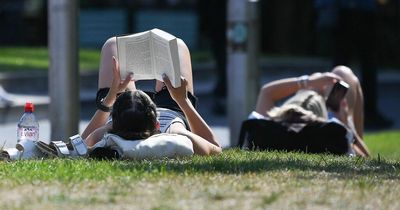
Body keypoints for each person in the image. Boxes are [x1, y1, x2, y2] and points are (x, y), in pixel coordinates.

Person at [81, 36, 222, 156]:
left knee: (113, 44)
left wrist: (109, 99)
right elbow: (215, 148)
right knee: (176, 44)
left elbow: (79, 147)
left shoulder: (108, 131)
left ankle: (123, 87)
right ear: (157, 125)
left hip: (127, 115)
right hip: (171, 107)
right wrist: (182, 100)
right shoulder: (175, 132)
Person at [255, 65, 370, 157]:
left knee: (333, 77)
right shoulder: (334, 134)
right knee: (342, 73)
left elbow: (266, 92)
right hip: (335, 122)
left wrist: (310, 83)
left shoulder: (268, 128)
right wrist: (346, 127)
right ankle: (315, 89)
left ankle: (314, 89)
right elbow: (367, 159)